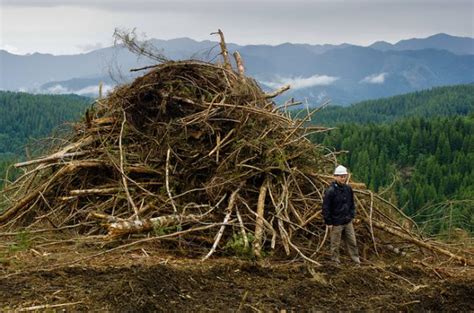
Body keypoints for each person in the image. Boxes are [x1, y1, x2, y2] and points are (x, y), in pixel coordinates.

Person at [322, 165, 361, 266]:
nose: (343, 178)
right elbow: (326, 208)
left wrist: (351, 215)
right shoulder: (330, 191)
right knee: (335, 244)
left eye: (344, 176)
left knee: (352, 242)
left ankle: (356, 261)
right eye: (341, 176)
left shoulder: (348, 189)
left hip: (347, 221)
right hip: (336, 222)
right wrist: (329, 222)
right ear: (335, 177)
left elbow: (352, 203)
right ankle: (335, 262)